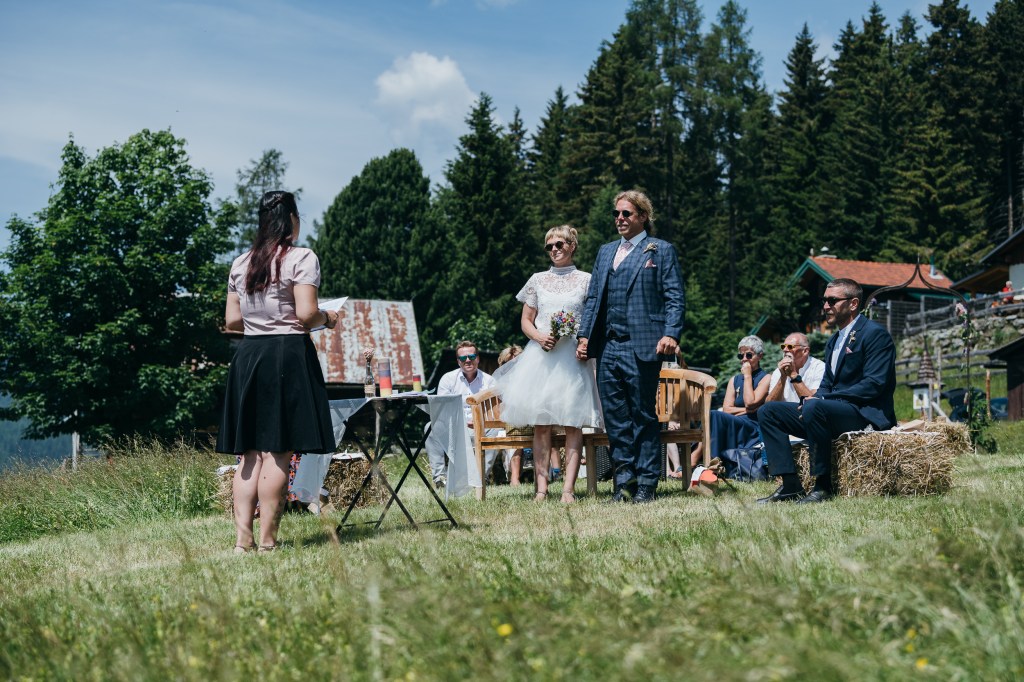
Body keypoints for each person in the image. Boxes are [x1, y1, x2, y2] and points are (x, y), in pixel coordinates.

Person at [217, 190, 338, 553]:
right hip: (286, 354)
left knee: (250, 454)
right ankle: (268, 540)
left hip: (249, 355)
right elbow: (305, 314)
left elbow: (232, 321)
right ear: (291, 221)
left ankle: (243, 542)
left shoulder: (241, 263)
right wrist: (328, 319)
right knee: (278, 452)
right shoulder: (301, 257)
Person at [576, 190, 685, 504]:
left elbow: (675, 297)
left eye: (626, 214)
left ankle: (647, 484)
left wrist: (671, 334)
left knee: (642, 416)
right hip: (608, 346)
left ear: (642, 217)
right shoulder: (606, 251)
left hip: (643, 345)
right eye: (617, 214)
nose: (619, 219)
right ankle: (623, 484)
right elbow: (594, 297)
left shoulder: (661, 250)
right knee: (616, 418)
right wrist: (585, 336)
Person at [757, 278, 897, 504]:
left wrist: (820, 399)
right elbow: (827, 384)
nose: (825, 306)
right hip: (830, 411)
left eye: (832, 301)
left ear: (853, 304)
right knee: (769, 412)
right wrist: (814, 398)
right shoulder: (833, 341)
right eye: (824, 301)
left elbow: (874, 384)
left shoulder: (875, 334)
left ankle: (822, 486)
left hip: (864, 413)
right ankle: (790, 485)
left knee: (814, 405)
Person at [496, 226, 603, 503]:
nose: (554, 249)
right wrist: (539, 336)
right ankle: (541, 489)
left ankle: (568, 489)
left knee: (572, 424)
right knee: (542, 425)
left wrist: (584, 342)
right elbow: (525, 321)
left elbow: (593, 319)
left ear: (572, 246)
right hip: (541, 359)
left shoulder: (586, 280)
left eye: (559, 244)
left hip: (572, 360)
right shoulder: (537, 280)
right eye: (549, 246)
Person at [688, 335, 771, 468]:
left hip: (753, 426)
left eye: (749, 355)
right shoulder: (734, 380)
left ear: (760, 356)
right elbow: (727, 409)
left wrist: (748, 375)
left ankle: (694, 461)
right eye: (741, 356)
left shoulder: (766, 378)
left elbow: (750, 402)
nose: (744, 359)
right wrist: (747, 410)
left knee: (714, 415)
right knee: (714, 415)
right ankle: (702, 462)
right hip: (736, 421)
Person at [436, 339, 496, 488]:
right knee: (430, 428)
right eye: (463, 358)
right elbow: (442, 409)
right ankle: (440, 478)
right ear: (458, 361)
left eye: (472, 356)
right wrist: (461, 422)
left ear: (478, 358)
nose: (468, 360)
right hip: (455, 426)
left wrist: (478, 421)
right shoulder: (447, 379)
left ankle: (482, 477)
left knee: (497, 429)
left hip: (481, 425)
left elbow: (494, 411)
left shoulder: (489, 381)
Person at [765, 332, 826, 404]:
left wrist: (793, 374)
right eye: (783, 346)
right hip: (785, 412)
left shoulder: (819, 368)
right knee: (763, 410)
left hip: (807, 412)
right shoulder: (778, 371)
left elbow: (814, 403)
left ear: (805, 351)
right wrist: (783, 377)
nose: (785, 350)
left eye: (790, 346)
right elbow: (769, 404)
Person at [496, 344, 526, 486]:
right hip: (508, 421)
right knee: (515, 430)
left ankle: (554, 473)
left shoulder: (531, 378)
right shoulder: (500, 381)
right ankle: (514, 478)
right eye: (509, 363)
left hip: (531, 418)